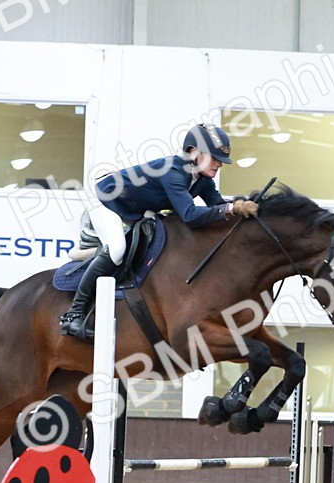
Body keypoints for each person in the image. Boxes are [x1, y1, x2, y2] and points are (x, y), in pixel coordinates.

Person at [59, 123, 259, 341]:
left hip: (133, 208)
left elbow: (217, 206)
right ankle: (73, 315)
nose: (220, 164)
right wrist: (230, 208)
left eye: (221, 160)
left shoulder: (202, 179)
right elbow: (190, 215)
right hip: (105, 200)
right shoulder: (174, 172)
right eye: (214, 157)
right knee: (117, 250)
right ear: (194, 152)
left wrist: (244, 204)